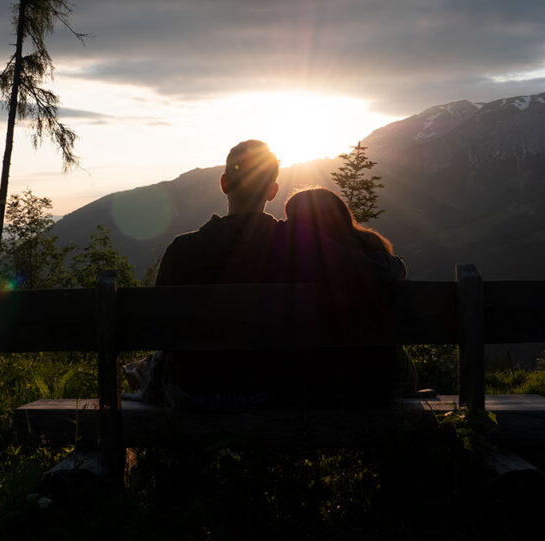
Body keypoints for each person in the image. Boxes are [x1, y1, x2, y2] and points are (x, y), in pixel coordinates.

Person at [149, 140, 288, 410]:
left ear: (224, 184)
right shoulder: (297, 247)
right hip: (265, 390)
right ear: (272, 191)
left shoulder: (181, 250)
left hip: (187, 390)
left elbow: (157, 329)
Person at [282, 187, 412, 407]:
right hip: (379, 383)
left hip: (313, 384)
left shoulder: (297, 258)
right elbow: (397, 268)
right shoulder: (372, 248)